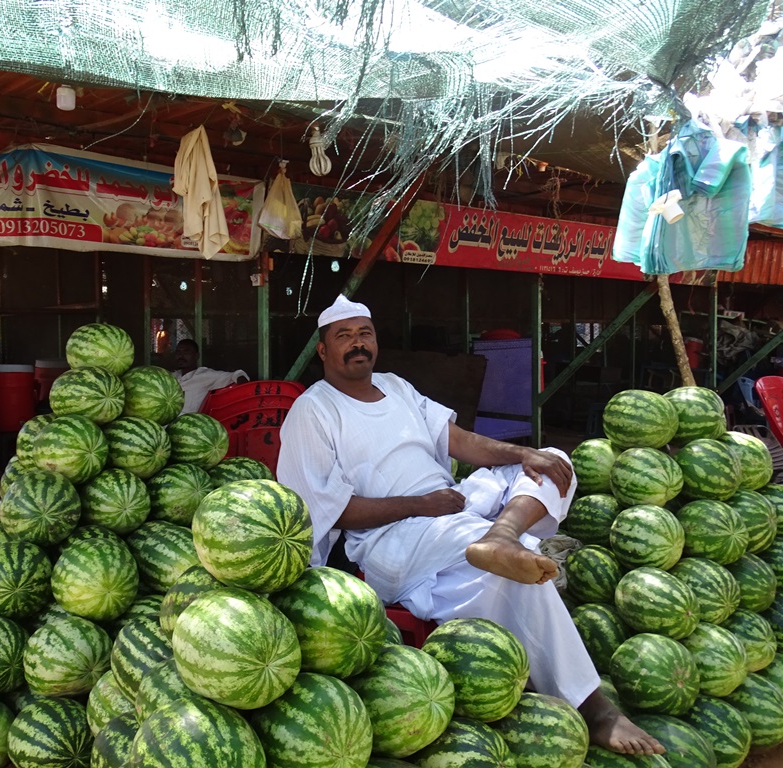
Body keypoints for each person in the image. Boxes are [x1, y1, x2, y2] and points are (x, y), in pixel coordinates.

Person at [276, 295, 664, 757]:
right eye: (344, 336)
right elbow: (328, 509)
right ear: (323, 351)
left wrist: (523, 454)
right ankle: (593, 705)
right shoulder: (313, 410)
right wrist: (421, 504)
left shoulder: (396, 387)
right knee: (507, 567)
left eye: (365, 334)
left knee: (554, 462)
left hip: (452, 509)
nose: (358, 344)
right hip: (389, 538)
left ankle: (501, 536)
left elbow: (458, 441)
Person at [171, 338, 249, 415]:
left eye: (186, 352)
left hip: (187, 424)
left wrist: (245, 392)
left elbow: (236, 375)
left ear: (196, 356)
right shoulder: (171, 376)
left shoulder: (205, 375)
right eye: (178, 352)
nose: (180, 356)